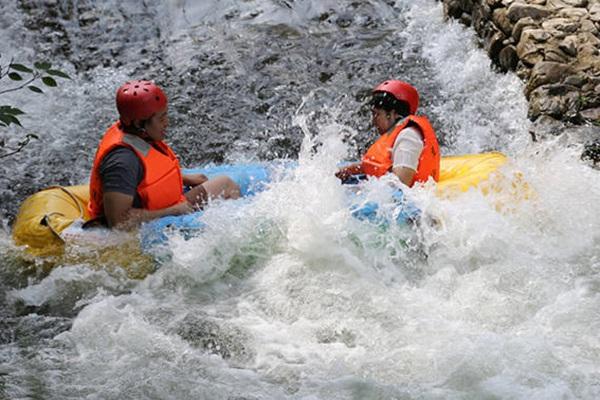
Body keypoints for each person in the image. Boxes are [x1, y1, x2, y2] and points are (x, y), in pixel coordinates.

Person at [87, 80, 240, 229]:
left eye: (166, 115)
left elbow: (146, 174)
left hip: (154, 204)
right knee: (225, 184)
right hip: (149, 222)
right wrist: (172, 211)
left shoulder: (133, 132)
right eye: (161, 118)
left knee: (219, 183)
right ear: (139, 124)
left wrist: (183, 178)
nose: (167, 122)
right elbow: (119, 221)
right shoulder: (122, 162)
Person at [336, 80, 440, 187]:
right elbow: (376, 166)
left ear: (393, 114)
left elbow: (401, 187)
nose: (373, 121)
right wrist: (348, 170)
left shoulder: (408, 138)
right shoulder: (401, 134)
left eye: (377, 114)